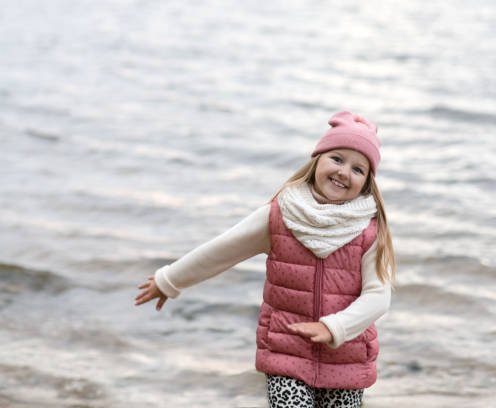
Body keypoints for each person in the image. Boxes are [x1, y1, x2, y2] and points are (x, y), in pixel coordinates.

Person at [135, 110, 396, 408]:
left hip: (346, 359)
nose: (344, 172)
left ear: (366, 183)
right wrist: (169, 280)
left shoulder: (368, 232)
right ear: (317, 160)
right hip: (285, 351)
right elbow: (222, 249)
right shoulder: (280, 215)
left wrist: (334, 327)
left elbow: (379, 297)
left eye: (358, 169)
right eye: (336, 158)